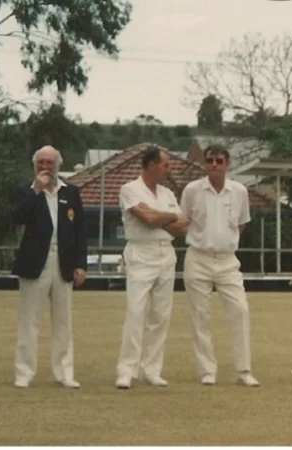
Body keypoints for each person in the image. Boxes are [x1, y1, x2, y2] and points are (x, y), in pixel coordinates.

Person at [179, 144, 259, 387]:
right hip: (198, 258)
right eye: (210, 161)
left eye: (219, 161)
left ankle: (244, 370)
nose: (214, 165)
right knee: (200, 316)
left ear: (228, 163)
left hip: (227, 261)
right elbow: (183, 221)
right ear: (205, 164)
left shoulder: (239, 191)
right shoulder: (192, 190)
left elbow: (242, 224)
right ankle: (207, 371)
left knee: (240, 310)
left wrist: (226, 241)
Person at [11, 146, 87, 389]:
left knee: (63, 321)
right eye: (40, 163)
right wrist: (36, 190)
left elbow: (80, 231)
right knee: (29, 321)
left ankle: (64, 373)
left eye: (49, 163)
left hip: (63, 262)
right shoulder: (25, 191)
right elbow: (16, 217)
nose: (45, 167)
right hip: (35, 262)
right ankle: (24, 373)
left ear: (58, 165)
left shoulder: (71, 192)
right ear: (34, 165)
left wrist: (80, 265)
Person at [115, 146, 189, 389]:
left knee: (161, 315)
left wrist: (158, 216)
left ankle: (152, 369)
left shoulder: (167, 193)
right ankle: (127, 370)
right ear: (151, 166)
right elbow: (146, 220)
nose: (169, 171)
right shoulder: (129, 189)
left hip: (165, 254)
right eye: (165, 166)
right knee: (136, 312)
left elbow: (183, 227)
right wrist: (166, 217)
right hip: (140, 253)